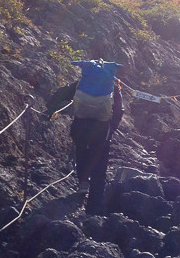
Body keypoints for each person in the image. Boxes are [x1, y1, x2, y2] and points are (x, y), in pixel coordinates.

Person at [45, 59, 124, 214]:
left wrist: (49, 111)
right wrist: (111, 128)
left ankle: (82, 184)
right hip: (102, 130)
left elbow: (61, 94)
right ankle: (93, 209)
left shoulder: (83, 83)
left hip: (80, 127)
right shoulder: (112, 87)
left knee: (81, 153)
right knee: (100, 166)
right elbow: (120, 110)